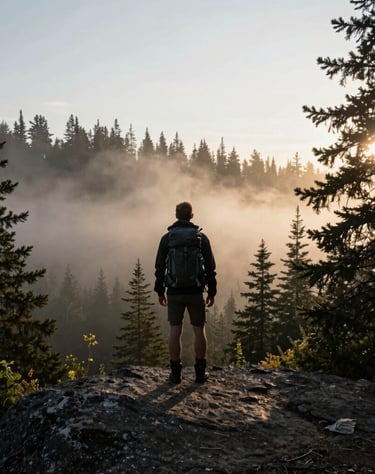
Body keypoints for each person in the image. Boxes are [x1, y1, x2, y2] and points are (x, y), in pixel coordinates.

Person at [154, 201, 217, 384]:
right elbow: (210, 267)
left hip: (174, 290)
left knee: (175, 330)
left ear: (176, 216)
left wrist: (160, 290)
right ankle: (199, 373)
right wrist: (211, 292)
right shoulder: (200, 238)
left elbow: (159, 266)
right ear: (192, 215)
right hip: (195, 290)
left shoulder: (167, 238)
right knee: (199, 331)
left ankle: (175, 374)